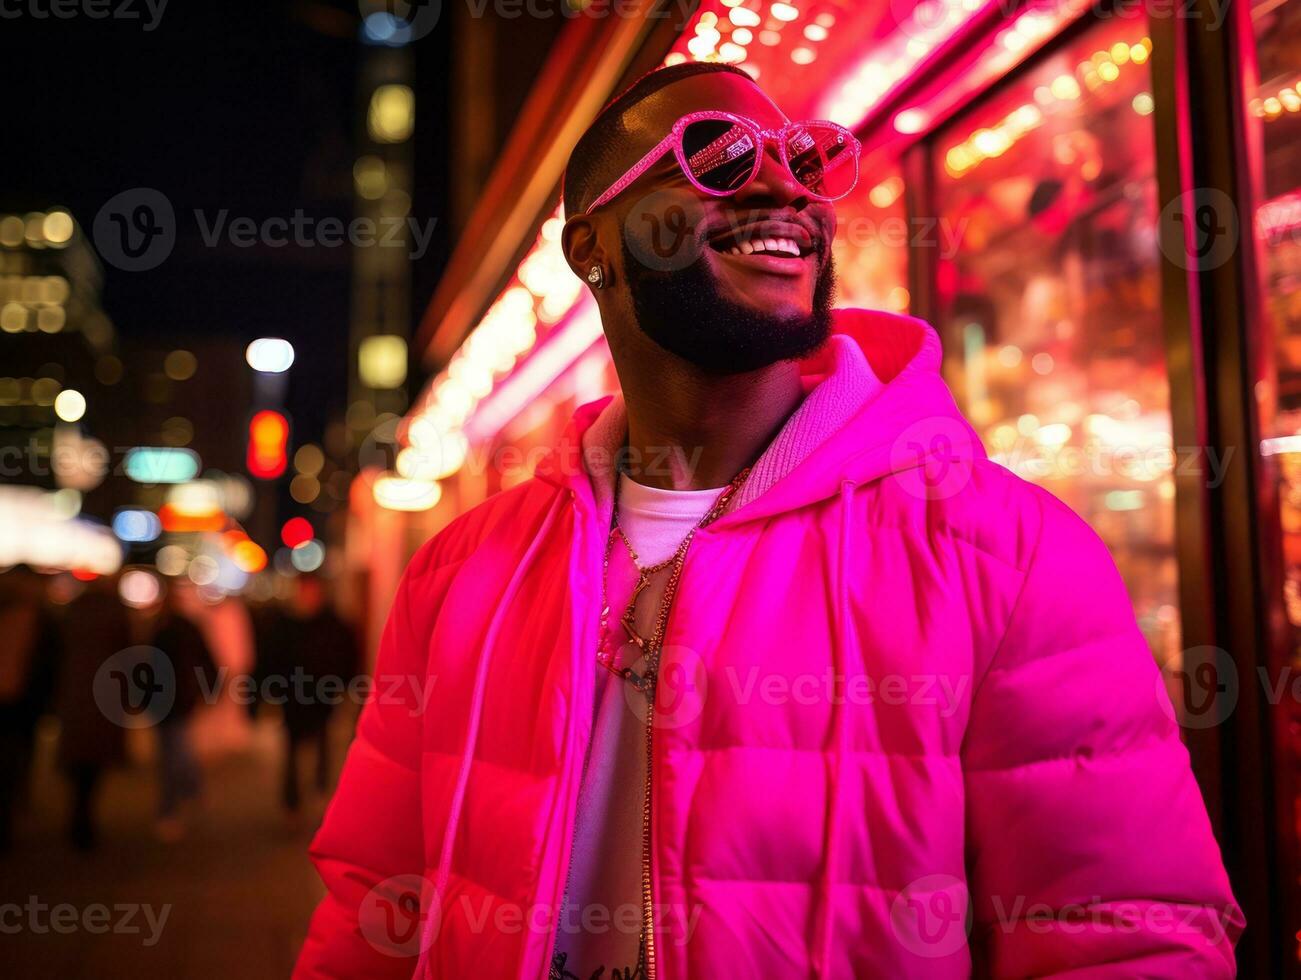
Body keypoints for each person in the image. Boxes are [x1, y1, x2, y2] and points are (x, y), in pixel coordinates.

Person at [296, 63, 1242, 977]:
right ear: (590, 249)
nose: (784, 190)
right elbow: (374, 905)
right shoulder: (464, 570)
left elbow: (1121, 935)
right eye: (715, 157)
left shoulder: (1007, 553)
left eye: (804, 161)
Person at [266, 574, 358, 822]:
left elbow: (347, 656)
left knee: (323, 746)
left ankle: (320, 792)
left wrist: (345, 685)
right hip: (293, 698)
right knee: (291, 752)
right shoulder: (284, 624)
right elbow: (272, 659)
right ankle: (291, 802)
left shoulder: (333, 624)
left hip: (322, 697)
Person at [54, 574, 130, 851]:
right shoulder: (115, 613)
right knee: (94, 764)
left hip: (75, 694)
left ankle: (78, 814)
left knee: (78, 761)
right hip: (104, 697)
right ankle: (84, 817)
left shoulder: (73, 611)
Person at [141, 582, 216, 842]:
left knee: (175, 754)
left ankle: (172, 806)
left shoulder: (182, 628)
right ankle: (184, 795)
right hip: (164, 702)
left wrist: (208, 689)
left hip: (177, 700)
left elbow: (206, 661)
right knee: (173, 755)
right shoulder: (159, 627)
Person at [0, 566, 61, 852]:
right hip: (22, 702)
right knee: (16, 759)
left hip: (25, 702)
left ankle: (13, 812)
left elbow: (50, 664)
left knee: (18, 758)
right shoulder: (43, 619)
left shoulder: (44, 621)